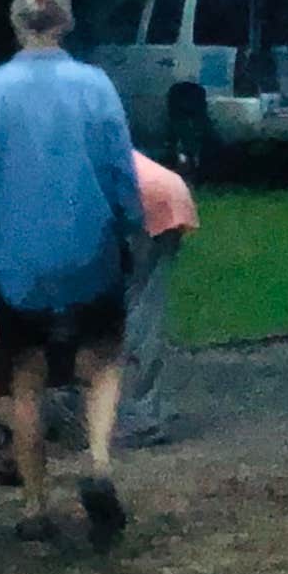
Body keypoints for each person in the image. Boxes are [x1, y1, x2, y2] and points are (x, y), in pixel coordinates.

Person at [0, 0, 147, 549]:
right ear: (67, 21)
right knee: (102, 362)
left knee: (26, 379)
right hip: (90, 252)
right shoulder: (96, 87)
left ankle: (35, 506)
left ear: (16, 22)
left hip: (18, 263)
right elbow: (120, 171)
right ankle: (100, 462)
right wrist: (129, 222)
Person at [117, 148, 198, 445]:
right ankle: (135, 409)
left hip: (149, 202)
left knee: (140, 308)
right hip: (158, 194)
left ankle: (141, 417)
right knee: (137, 301)